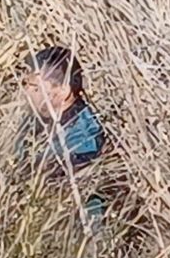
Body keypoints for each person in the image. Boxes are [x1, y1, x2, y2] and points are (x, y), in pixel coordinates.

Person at [17, 46, 109, 225]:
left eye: (34, 86)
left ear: (63, 91)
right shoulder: (36, 120)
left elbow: (64, 176)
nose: (26, 92)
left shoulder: (86, 135)